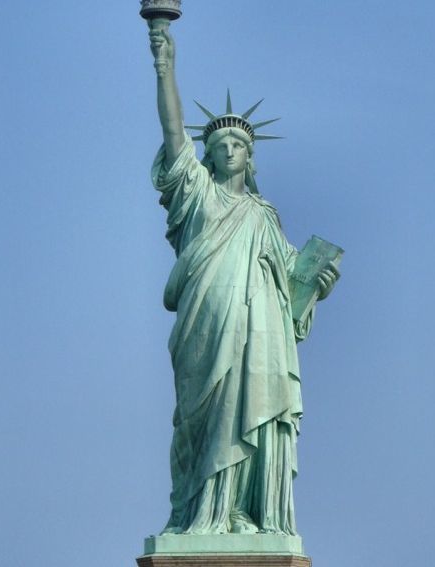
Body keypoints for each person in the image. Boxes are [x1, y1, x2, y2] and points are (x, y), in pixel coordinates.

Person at [148, 22, 339, 536]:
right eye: (219, 142)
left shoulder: (265, 216)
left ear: (250, 157)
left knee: (253, 410)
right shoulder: (197, 197)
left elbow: (293, 285)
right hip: (207, 325)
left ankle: (245, 512)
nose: (229, 148)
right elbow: (172, 133)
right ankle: (202, 512)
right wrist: (164, 66)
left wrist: (317, 280)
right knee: (205, 416)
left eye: (238, 142)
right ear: (205, 156)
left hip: (262, 334)